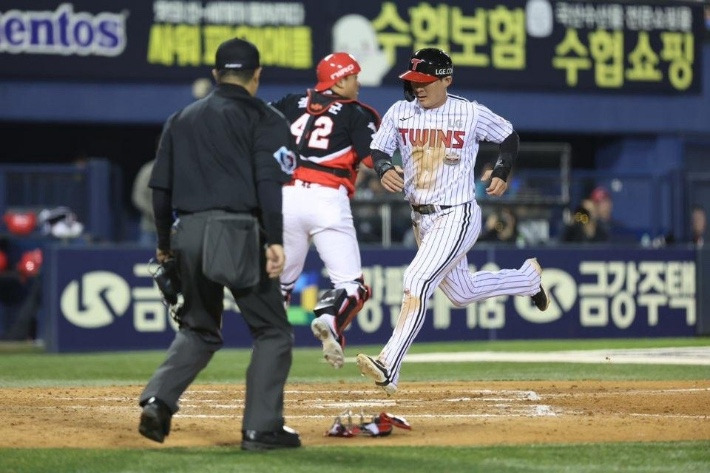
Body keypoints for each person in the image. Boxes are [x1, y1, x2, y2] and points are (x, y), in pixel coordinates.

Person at [137, 38, 302, 451]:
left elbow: (160, 190)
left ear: (216, 74)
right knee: (272, 331)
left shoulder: (181, 118)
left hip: (187, 232)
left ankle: (158, 400)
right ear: (257, 75)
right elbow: (269, 184)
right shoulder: (265, 118)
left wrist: (164, 243)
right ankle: (261, 429)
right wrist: (275, 239)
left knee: (199, 328)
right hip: (238, 231)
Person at [356, 48, 550, 395]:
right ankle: (527, 279)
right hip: (421, 218)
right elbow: (379, 149)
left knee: (416, 279)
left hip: (457, 213)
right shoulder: (401, 111)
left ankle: (388, 364)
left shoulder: (469, 112)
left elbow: (508, 136)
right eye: (414, 80)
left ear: (446, 79)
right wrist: (384, 168)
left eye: (425, 80)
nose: (418, 87)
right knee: (462, 293)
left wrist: (501, 170)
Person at [270, 52, 380, 369]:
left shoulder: (290, 103)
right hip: (327, 198)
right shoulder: (356, 113)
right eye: (353, 77)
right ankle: (330, 318)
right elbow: (371, 159)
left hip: (285, 196)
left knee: (281, 286)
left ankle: (268, 347)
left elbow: (257, 131)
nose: (358, 83)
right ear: (340, 81)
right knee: (352, 286)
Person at [131, 158, 157, 246]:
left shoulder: (179, 170)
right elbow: (138, 197)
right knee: (146, 254)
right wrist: (153, 212)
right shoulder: (148, 170)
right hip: (150, 229)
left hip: (174, 231)